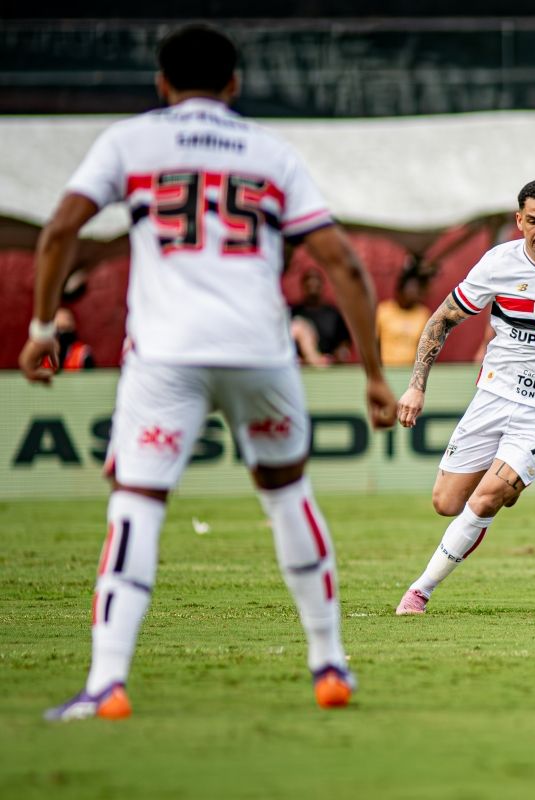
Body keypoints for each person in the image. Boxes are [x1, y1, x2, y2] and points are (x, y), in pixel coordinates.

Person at [17, 25, 397, 721]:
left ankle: (108, 681)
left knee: (137, 501)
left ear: (161, 83)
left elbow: (60, 231)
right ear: (235, 84)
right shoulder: (269, 151)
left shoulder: (131, 142)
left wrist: (43, 331)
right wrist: (373, 374)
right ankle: (329, 662)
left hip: (165, 353)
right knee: (287, 494)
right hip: (259, 347)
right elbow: (342, 262)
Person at [394, 179, 535, 614]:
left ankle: (419, 592)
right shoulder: (498, 264)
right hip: (493, 397)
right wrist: (416, 385)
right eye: (532, 221)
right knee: (446, 503)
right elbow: (441, 320)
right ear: (519, 222)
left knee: (486, 498)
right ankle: (507, 480)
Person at [291, 267, 352, 364]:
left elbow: (344, 342)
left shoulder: (334, 314)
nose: (312, 283)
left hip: (328, 364)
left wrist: (339, 355)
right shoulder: (293, 312)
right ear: (302, 285)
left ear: (322, 285)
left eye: (316, 280)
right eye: (308, 280)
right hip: (299, 364)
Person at [377, 268, 431, 366]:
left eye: (417, 289)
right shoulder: (383, 311)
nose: (414, 292)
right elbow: (374, 343)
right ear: (401, 289)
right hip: (386, 368)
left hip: (412, 370)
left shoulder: (423, 314)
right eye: (411, 288)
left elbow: (426, 348)